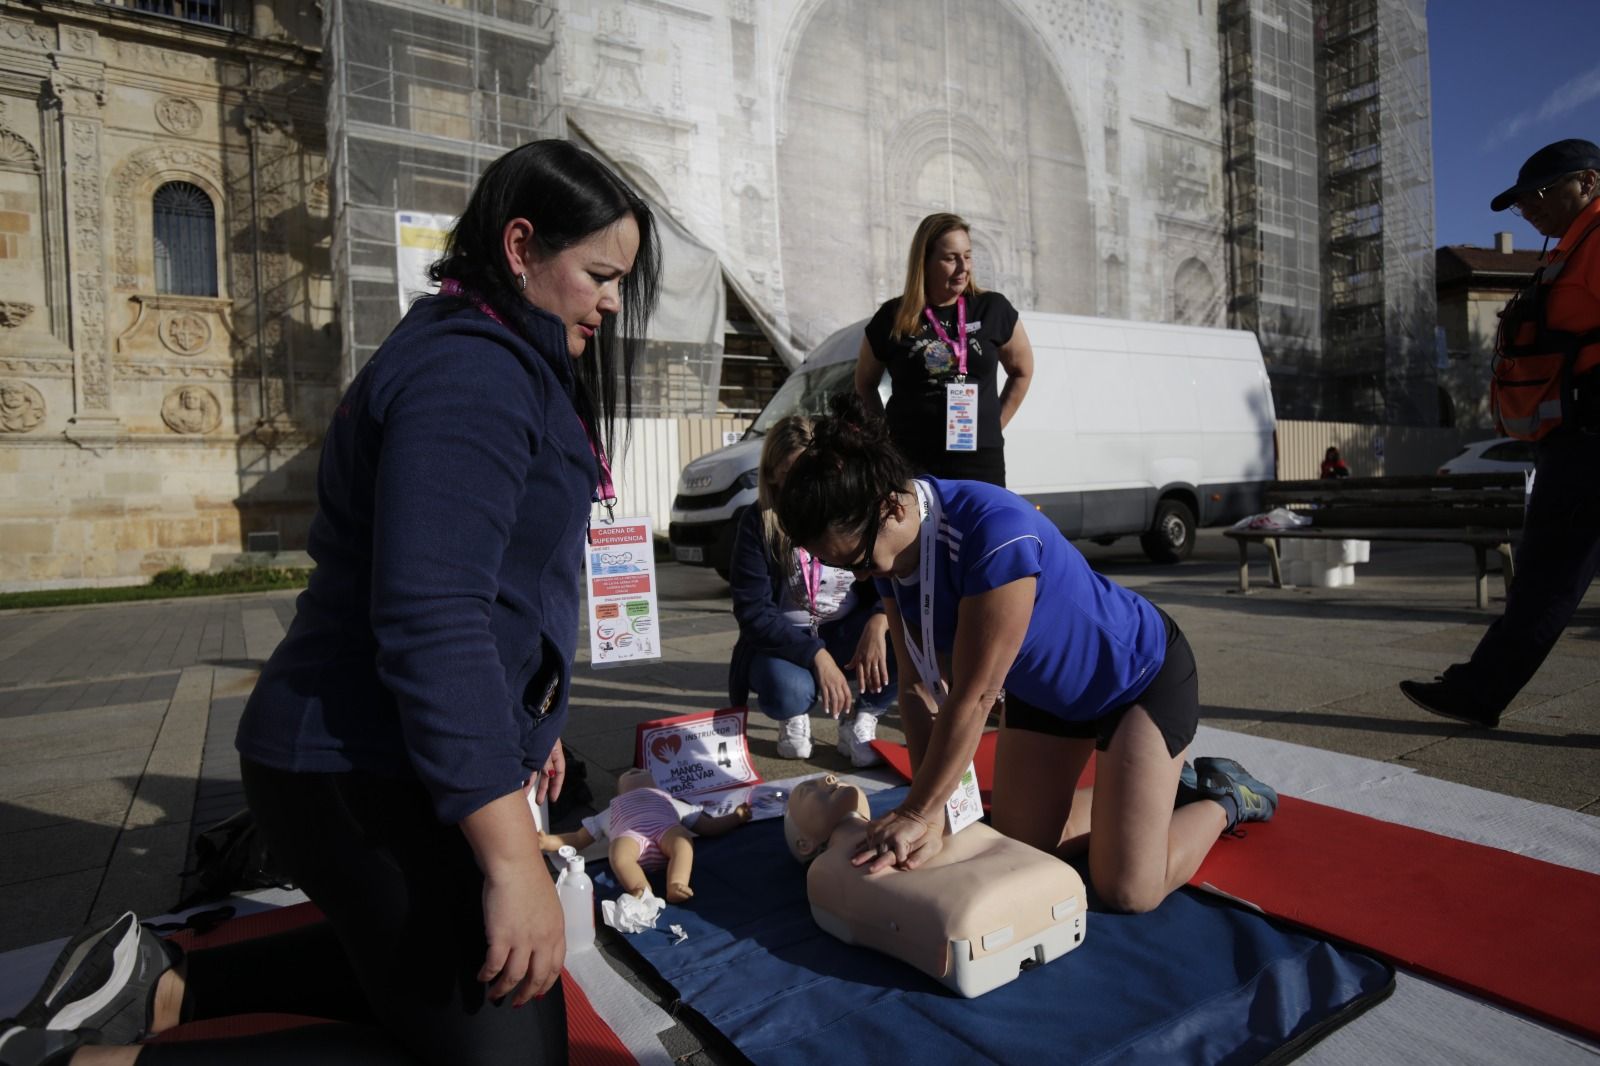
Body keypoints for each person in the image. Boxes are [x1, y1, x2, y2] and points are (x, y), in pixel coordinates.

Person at [0, 140, 661, 1066]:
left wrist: (532, 731)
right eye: (598, 273)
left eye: (621, 280)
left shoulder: (496, 353)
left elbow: (512, 582)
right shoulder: (472, 373)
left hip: (388, 758)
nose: (612, 301)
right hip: (355, 768)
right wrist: (512, 861)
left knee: (456, 972)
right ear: (521, 247)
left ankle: (170, 982)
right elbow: (434, 617)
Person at [775, 398, 1277, 914]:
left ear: (891, 508)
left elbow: (973, 699)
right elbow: (918, 689)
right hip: (1048, 696)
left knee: (1126, 889)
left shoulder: (994, 531)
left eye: (855, 562)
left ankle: (1225, 797)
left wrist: (921, 812)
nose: (857, 577)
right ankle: (1152, 797)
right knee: (1022, 852)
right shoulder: (890, 554)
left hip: (1137, 681)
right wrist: (928, 812)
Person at [1401, 139, 1600, 727]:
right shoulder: (1572, 245)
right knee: (1546, 579)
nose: (1530, 208)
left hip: (1590, 442)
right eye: (1522, 203)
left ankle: (1478, 693)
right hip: (1575, 440)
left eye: (1539, 193)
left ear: (1587, 183)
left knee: (1547, 579)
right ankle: (1477, 693)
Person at [783, 774, 1087, 997]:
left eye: (825, 780)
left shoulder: (900, 819)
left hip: (998, 899)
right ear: (804, 844)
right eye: (809, 790)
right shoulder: (827, 869)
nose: (830, 780)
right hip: (975, 917)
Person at [728, 416, 897, 765]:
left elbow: (888, 571)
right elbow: (753, 612)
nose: (802, 485)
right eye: (792, 473)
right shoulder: (757, 521)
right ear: (772, 472)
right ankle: (793, 717)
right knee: (786, 687)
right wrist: (816, 655)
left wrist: (880, 620)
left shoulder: (846, 508)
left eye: (810, 471)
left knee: (903, 637)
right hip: (784, 638)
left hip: (845, 627)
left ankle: (862, 720)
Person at [854, 213, 1034, 487]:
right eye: (951, 258)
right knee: (921, 531)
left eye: (968, 256)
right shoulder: (893, 316)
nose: (964, 267)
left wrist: (993, 425)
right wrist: (883, 437)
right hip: (911, 461)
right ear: (924, 262)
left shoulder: (992, 308)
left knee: (980, 531)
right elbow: (864, 382)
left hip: (980, 463)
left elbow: (1022, 371)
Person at [539, 769, 752, 903]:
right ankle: (639, 887)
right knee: (621, 853)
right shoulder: (614, 808)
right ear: (621, 793)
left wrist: (735, 818)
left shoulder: (668, 800)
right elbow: (577, 839)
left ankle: (676, 884)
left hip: (663, 831)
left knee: (682, 842)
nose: (635, 775)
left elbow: (708, 826)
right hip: (633, 836)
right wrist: (548, 841)